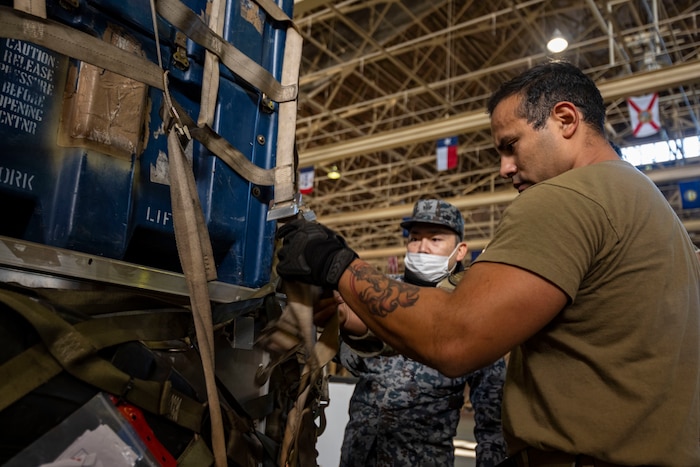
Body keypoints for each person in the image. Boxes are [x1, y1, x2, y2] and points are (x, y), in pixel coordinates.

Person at [275, 61, 700, 466]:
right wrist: (361, 318)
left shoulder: (568, 197)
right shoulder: (646, 206)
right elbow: (463, 303)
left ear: (566, 119)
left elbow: (453, 337)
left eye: (511, 146)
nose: (503, 168)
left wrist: (335, 263)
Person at [326, 199, 506, 467]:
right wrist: (346, 326)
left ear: (459, 251)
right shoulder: (379, 294)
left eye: (435, 239)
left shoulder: (471, 310)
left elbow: (492, 423)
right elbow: (351, 362)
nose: (422, 247)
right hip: (358, 455)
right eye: (415, 238)